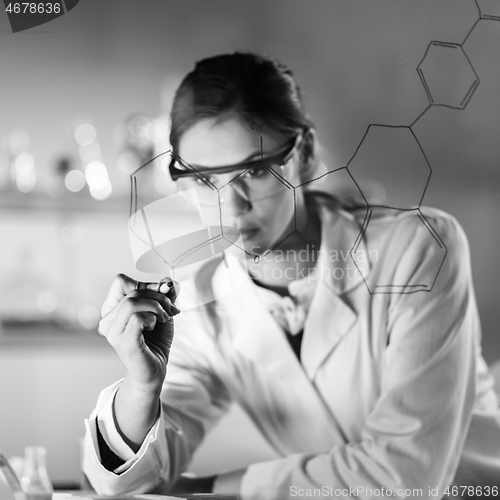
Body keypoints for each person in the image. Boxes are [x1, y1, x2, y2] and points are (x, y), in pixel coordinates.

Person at [82, 52, 500, 499]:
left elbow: (405, 478)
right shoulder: (205, 301)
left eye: (256, 170)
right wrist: (142, 384)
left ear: (304, 156)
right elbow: (127, 479)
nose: (232, 206)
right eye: (205, 180)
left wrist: (213, 489)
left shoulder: (418, 248)